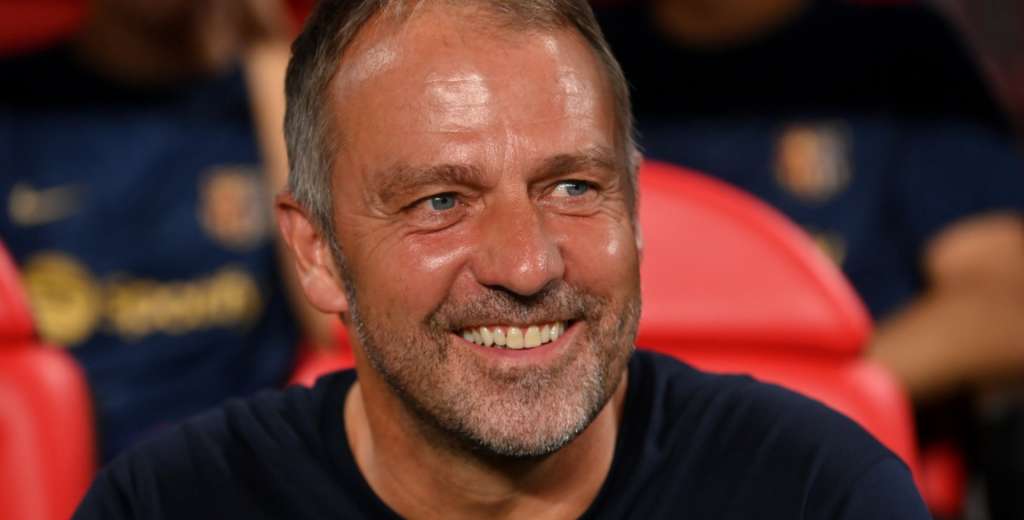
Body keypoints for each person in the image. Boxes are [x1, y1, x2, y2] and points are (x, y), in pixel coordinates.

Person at [72, 1, 929, 518]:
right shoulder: (168, 507)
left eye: (573, 187)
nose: (526, 266)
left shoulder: (821, 495)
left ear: (635, 215)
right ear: (318, 252)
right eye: (441, 201)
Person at [594, 1, 1024, 515]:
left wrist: (789, 406)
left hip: (830, 471)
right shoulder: (577, 47)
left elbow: (1004, 305)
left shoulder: (898, 49)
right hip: (605, 460)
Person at [0, 0, 332, 461]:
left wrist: (271, 56)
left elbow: (334, 319)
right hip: (65, 471)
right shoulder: (20, 111)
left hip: (251, 466)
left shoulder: (270, 96)